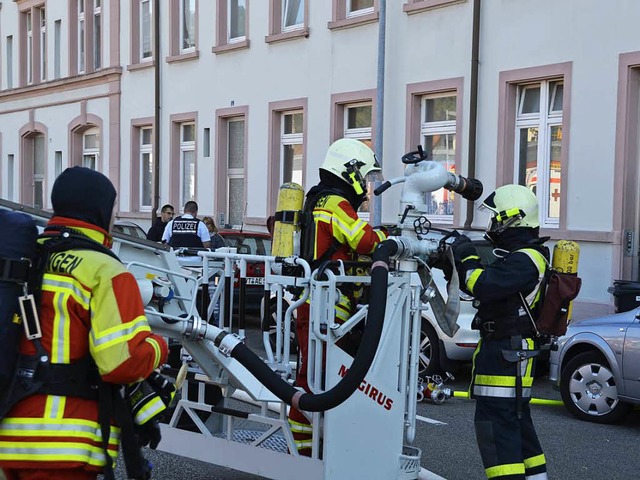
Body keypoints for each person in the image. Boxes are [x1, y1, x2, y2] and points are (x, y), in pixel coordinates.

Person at [0, 167, 169, 480]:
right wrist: (159, 347)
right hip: (63, 443)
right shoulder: (105, 270)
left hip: (11, 434)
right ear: (101, 210)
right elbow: (121, 362)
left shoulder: (27, 256)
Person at [287, 138, 387, 456]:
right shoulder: (333, 203)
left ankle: (316, 447)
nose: (367, 187)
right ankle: (304, 455)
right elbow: (364, 240)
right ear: (351, 172)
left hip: (324, 304)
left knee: (323, 375)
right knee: (314, 378)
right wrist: (388, 237)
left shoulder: (321, 199)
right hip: (324, 305)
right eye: (365, 176)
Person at [449, 184, 548, 480]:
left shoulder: (525, 260)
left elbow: (481, 284)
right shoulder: (523, 255)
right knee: (517, 425)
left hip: (507, 353)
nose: (493, 224)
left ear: (512, 219)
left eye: (496, 218)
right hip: (508, 350)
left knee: (497, 430)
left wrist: (466, 256)